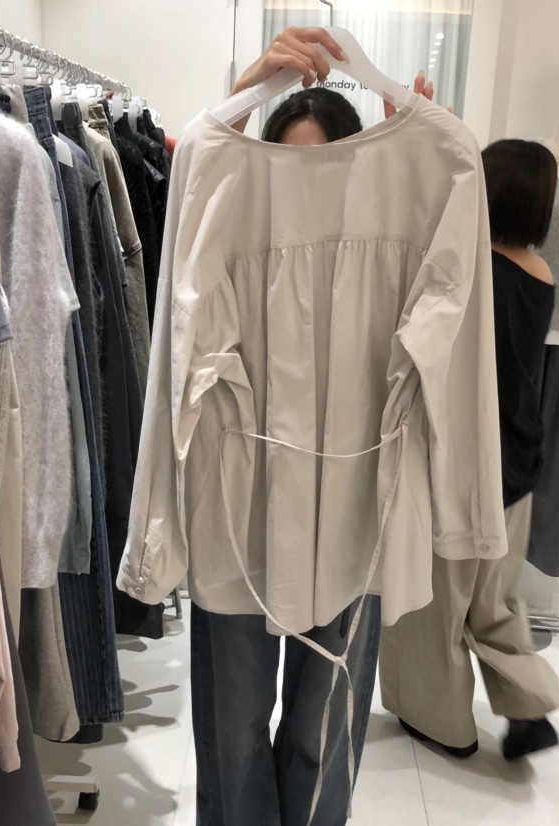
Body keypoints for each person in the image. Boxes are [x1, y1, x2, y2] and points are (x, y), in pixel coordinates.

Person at [189, 34, 383, 826]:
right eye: (288, 166)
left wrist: (416, 137)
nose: (306, 187)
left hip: (351, 507)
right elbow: (198, 191)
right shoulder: (234, 237)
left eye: (325, 168)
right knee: (233, 727)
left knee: (322, 726)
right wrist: (248, 87)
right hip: (240, 505)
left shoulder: (381, 255)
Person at [379, 139, 559, 762]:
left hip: (460, 460)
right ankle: (529, 705)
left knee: (435, 604)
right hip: (519, 457)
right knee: (496, 599)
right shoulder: (540, 274)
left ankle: (442, 724)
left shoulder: (466, 272)